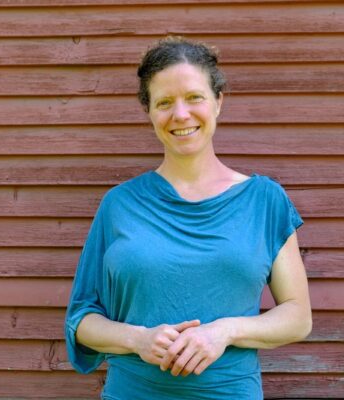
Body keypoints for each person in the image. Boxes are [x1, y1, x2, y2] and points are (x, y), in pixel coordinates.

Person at [64, 36, 312, 399]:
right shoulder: (119, 204)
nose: (180, 114)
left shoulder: (265, 200)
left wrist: (224, 331)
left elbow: (297, 316)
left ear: (218, 102)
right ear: (149, 112)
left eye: (194, 97)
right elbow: (82, 319)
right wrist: (138, 339)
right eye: (164, 102)